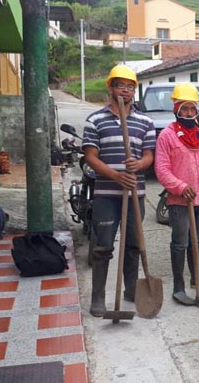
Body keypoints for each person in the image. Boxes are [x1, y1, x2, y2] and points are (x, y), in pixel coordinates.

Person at [82, 64, 156, 317]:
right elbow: (91, 157)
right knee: (102, 247)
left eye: (130, 86)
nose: (125, 90)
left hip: (136, 193)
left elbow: (149, 156)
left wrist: (139, 164)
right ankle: (99, 298)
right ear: (110, 88)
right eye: (120, 85)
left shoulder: (145, 121)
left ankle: (131, 290)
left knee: (133, 245)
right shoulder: (95, 120)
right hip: (106, 195)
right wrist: (116, 175)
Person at [155, 82, 199, 306]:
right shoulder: (167, 136)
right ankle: (179, 286)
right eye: (185, 109)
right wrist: (181, 187)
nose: (189, 113)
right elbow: (161, 170)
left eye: (193, 109)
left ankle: (198, 278)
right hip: (180, 201)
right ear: (177, 110)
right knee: (180, 242)